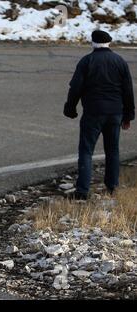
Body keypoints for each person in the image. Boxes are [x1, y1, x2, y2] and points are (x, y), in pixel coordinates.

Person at [64, 30, 135, 200]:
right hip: (115, 113)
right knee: (112, 150)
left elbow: (76, 87)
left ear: (93, 43)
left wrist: (70, 108)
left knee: (86, 150)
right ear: (109, 43)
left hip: (93, 112)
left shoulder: (86, 61)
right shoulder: (120, 62)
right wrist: (128, 115)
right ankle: (112, 187)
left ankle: (82, 191)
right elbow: (128, 90)